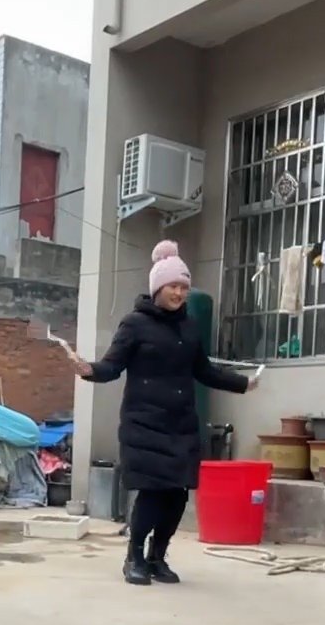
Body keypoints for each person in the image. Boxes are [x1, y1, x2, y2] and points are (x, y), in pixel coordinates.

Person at [72, 240, 259, 586]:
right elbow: (112, 366)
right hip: (144, 423)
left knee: (177, 494)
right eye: (174, 286)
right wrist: (89, 370)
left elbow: (203, 370)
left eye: (185, 287)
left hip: (181, 423)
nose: (180, 293)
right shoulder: (134, 324)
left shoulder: (189, 328)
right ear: (158, 287)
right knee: (153, 492)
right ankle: (135, 556)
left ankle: (158, 556)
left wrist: (242, 384)